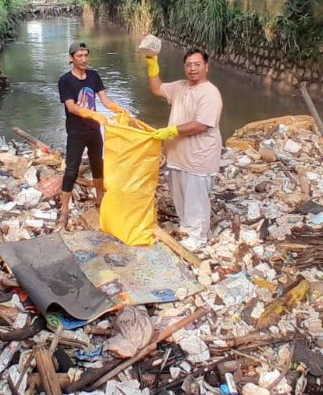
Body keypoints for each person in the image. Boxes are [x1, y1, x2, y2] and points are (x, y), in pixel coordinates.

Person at [144, 49, 223, 250]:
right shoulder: (180, 87)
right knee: (180, 197)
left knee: (196, 199)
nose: (192, 68)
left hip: (199, 157)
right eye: (188, 64)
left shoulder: (210, 93)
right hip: (177, 156)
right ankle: (187, 228)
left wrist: (170, 130)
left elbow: (201, 125)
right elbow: (156, 89)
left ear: (206, 67)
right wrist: (152, 65)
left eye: (197, 64)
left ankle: (198, 237)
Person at [57, 41, 125, 230]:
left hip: (94, 130)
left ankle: (100, 199)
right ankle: (64, 210)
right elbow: (71, 107)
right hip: (76, 131)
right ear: (71, 58)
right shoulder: (65, 80)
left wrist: (118, 109)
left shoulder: (94, 76)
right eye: (79, 56)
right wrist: (93, 114)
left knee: (98, 163)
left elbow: (104, 99)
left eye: (86, 55)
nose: (84, 59)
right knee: (71, 170)